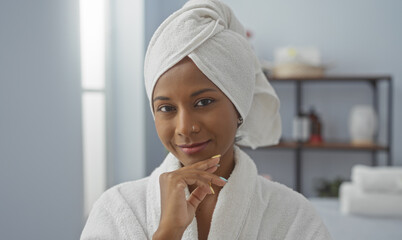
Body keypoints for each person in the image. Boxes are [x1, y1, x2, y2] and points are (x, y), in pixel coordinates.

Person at [81, 0, 331, 239]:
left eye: (203, 102)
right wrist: (167, 233)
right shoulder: (117, 210)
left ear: (239, 104)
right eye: (166, 108)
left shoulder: (294, 217)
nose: (185, 128)